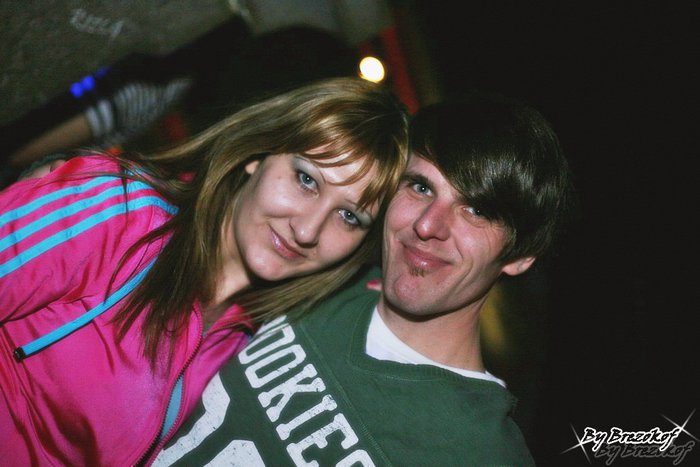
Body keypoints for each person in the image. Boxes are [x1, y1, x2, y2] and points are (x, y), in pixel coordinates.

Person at [0, 77, 409, 466]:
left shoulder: (250, 338)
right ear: (257, 156)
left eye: (349, 216)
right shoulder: (121, 212)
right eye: (306, 180)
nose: (307, 230)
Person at [153, 91, 573, 466]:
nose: (428, 225)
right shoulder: (318, 274)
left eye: (476, 210)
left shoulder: (480, 452)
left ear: (520, 257)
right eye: (421, 187)